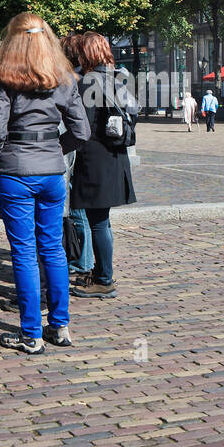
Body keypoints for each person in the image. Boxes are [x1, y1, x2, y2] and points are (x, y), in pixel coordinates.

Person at [0, 13, 90, 354]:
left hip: (15, 171)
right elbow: (81, 132)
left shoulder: (4, 78)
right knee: (53, 250)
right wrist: (54, 150)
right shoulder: (63, 77)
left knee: (25, 253)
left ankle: (30, 332)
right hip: (51, 173)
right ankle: (59, 326)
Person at [70, 32, 139, 302]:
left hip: (95, 160)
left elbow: (81, 128)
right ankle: (101, 272)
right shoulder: (117, 79)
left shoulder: (87, 82)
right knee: (103, 221)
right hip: (116, 156)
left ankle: (104, 280)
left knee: (98, 222)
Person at [59, 32, 94, 283]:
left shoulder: (75, 80)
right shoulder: (84, 78)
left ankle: (82, 261)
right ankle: (81, 258)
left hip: (76, 151)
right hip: (82, 148)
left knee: (78, 208)